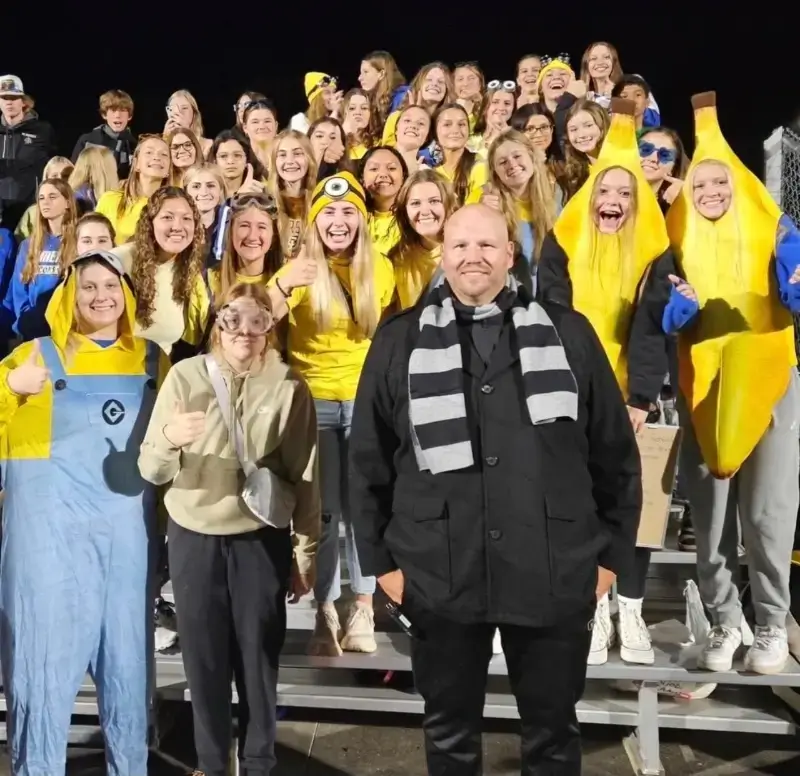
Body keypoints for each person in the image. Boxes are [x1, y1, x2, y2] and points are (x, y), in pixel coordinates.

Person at [349, 203, 642, 775]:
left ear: (511, 254)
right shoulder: (400, 340)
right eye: (460, 246)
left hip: (554, 565)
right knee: (449, 731)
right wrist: (382, 564)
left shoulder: (568, 333)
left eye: (487, 245)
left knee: (553, 731)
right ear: (443, 255)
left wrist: (610, 558)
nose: (472, 257)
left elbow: (614, 455)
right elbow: (368, 461)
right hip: (439, 567)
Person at [139, 281, 320, 776]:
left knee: (258, 660)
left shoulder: (289, 386)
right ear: (217, 324)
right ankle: (213, 764)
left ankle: (259, 764)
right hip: (194, 532)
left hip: (259, 535)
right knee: (205, 661)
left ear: (270, 328)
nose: (244, 329)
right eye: (232, 318)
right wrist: (171, 440)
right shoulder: (184, 377)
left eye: (257, 319)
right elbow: (151, 471)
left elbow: (305, 477)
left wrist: (306, 555)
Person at [0, 250, 163, 775]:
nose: (101, 297)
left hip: (125, 543)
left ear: (127, 295)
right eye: (88, 287)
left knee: (127, 672)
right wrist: (6, 390)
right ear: (70, 295)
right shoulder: (32, 358)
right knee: (39, 672)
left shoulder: (153, 360)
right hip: (46, 545)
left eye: (110, 287)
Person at [0, 75, 57, 230]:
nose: (9, 102)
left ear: (23, 101)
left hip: (31, 209)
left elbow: (54, 167)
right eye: (4, 98)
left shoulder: (42, 130)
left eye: (14, 97)